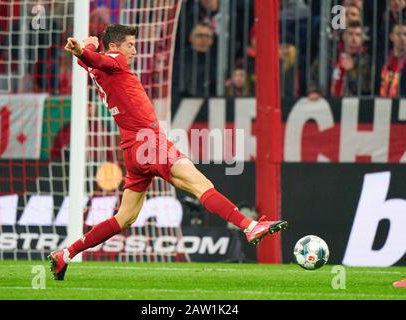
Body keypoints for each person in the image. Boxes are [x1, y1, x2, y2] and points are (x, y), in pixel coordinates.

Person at [48, 24, 288, 280]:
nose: (135, 50)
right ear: (115, 47)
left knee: (125, 217)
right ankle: (250, 226)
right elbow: (93, 57)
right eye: (130, 45)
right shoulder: (115, 60)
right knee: (201, 185)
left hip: (132, 149)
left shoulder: (99, 70)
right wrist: (85, 50)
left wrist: (86, 48)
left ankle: (66, 253)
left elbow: (90, 61)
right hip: (150, 142)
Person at [378, 21, 406, 97]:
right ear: (391, 36)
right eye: (398, 34)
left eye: (405, 34)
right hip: (380, 103)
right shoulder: (381, 58)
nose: (402, 38)